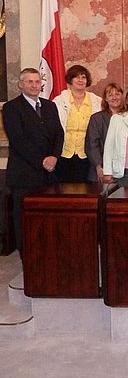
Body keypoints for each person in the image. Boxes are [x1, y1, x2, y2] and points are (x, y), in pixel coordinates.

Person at [2, 68, 64, 255]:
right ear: (20, 85)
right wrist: (41, 161)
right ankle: (27, 260)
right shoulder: (12, 108)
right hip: (24, 175)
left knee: (48, 220)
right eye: (30, 82)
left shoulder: (49, 106)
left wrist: (54, 156)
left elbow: (59, 134)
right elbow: (18, 140)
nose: (34, 85)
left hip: (49, 175)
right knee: (25, 221)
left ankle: (46, 257)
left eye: (37, 82)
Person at [53, 64, 102, 182]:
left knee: (84, 192)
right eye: (76, 77)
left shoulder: (97, 101)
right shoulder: (58, 101)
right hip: (64, 153)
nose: (80, 80)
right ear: (70, 80)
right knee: (63, 192)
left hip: (86, 155)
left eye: (83, 77)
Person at [85, 83, 123, 183]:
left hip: (124, 171)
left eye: (117, 94)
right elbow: (92, 144)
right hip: (102, 169)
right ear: (105, 99)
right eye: (110, 95)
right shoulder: (97, 118)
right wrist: (99, 166)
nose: (114, 97)